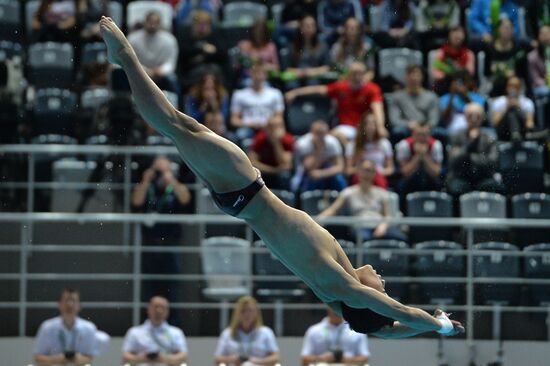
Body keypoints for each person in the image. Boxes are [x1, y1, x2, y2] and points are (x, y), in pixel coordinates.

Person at [98, 16, 464, 337]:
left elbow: (398, 313)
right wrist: (432, 327)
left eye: (381, 289)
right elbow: (387, 330)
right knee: (178, 130)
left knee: (179, 125)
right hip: (240, 200)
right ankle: (126, 63)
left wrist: (441, 325)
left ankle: (127, 59)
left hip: (248, 189)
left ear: (369, 299)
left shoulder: (342, 285)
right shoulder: (335, 294)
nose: (382, 281)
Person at [132, 157, 191, 304]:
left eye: (164, 170)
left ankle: (174, 323)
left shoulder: (174, 188)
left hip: (171, 245)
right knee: (149, 287)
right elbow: (136, 201)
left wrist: (171, 180)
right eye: (158, 171)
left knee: (173, 287)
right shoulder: (148, 188)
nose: (160, 175)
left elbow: (186, 199)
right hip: (150, 244)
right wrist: (145, 181)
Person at [285, 61, 386, 142]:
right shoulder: (341, 87)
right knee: (334, 135)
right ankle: (350, 157)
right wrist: (295, 92)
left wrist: (380, 126)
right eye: (354, 73)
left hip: (364, 128)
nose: (357, 76)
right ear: (349, 74)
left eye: (360, 73)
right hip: (345, 128)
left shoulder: (372, 89)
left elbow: (377, 108)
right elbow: (318, 90)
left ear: (364, 74)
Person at [320, 160, 407, 242]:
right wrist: (318, 220)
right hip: (360, 227)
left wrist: (383, 226)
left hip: (379, 226)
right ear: (358, 172)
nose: (366, 174)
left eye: (369, 171)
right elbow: (333, 210)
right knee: (365, 239)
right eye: (364, 170)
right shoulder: (348, 193)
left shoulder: (381, 193)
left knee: (402, 238)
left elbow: (387, 215)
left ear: (374, 174)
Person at [34, 288, 106, 366]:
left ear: (79, 306)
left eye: (73, 301)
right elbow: (38, 358)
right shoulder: (47, 327)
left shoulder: (89, 328)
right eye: (66, 300)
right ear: (59, 304)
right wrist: (57, 359)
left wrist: (78, 359)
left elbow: (89, 358)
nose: (70, 304)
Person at [446, 103, 504, 196]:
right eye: (470, 116)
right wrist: (470, 143)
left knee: (495, 187)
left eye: (477, 116)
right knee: (455, 188)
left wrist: (469, 156)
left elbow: (493, 163)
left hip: (484, 177)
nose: (474, 119)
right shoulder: (456, 136)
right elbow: (453, 161)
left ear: (482, 118)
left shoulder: (490, 137)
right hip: (461, 177)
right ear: (465, 117)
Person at [214, 296, 280, 366]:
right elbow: (217, 358)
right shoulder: (227, 333)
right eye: (243, 311)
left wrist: (256, 361)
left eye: (250, 311)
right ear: (237, 313)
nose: (247, 314)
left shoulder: (266, 332)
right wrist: (233, 359)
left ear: (256, 313)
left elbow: (276, 357)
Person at [122, 296, 188, 366]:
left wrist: (162, 358)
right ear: (148, 309)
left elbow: (183, 357)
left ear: (167, 311)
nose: (159, 311)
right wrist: (144, 358)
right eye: (155, 307)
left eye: (162, 307)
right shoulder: (134, 332)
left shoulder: (176, 333)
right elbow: (125, 357)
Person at [230, 61, 285, 141]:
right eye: (256, 72)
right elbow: (234, 120)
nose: (258, 75)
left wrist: (267, 124)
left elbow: (279, 118)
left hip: (268, 127)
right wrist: (251, 124)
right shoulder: (239, 94)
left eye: (261, 72)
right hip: (247, 128)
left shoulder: (275, 93)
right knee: (241, 135)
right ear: (250, 74)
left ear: (266, 75)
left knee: (278, 134)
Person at [128, 11, 179, 93]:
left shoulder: (170, 40)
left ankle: (175, 104)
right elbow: (131, 60)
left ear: (160, 24)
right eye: (150, 22)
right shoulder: (133, 39)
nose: (152, 25)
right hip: (138, 71)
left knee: (172, 79)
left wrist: (160, 71)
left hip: (160, 74)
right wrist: (145, 71)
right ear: (145, 22)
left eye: (155, 22)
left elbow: (170, 62)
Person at [292, 120, 347, 193]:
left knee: (339, 179)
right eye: (317, 133)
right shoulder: (303, 144)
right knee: (311, 179)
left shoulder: (333, 143)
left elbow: (340, 167)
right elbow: (309, 168)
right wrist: (318, 149)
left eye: (322, 134)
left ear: (327, 133)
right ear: (311, 132)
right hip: (306, 174)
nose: (320, 137)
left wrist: (322, 173)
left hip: (326, 171)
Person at [388, 64, 440, 142]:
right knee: (397, 131)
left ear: (422, 77)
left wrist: (426, 127)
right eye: (410, 75)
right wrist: (408, 124)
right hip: (407, 129)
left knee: (440, 133)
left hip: (427, 129)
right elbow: (394, 119)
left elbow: (434, 119)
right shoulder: (397, 97)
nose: (413, 78)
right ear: (405, 77)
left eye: (417, 75)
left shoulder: (432, 97)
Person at [301, 307, 370, 366]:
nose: (335, 311)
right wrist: (322, 359)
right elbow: (305, 359)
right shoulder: (314, 330)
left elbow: (365, 358)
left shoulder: (356, 330)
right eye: (333, 307)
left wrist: (347, 359)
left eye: (338, 307)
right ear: (328, 307)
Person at [176, 11, 227, 87]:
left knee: (214, 72)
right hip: (191, 71)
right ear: (193, 25)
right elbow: (182, 54)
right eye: (199, 24)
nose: (202, 27)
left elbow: (223, 54)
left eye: (205, 24)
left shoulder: (215, 37)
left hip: (212, 70)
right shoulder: (186, 37)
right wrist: (202, 49)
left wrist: (203, 57)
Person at [395, 122, 444, 199]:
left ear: (429, 135)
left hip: (430, 177)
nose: (421, 138)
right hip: (410, 178)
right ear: (413, 134)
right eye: (418, 134)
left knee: (439, 184)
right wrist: (417, 156)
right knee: (401, 185)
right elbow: (405, 173)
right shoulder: (404, 145)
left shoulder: (436, 145)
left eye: (424, 135)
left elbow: (436, 173)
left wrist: (425, 156)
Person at [347, 112, 394, 189]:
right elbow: (349, 170)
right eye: (367, 124)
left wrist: (374, 172)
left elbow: (390, 169)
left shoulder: (384, 143)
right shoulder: (353, 145)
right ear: (362, 126)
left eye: (373, 123)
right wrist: (364, 171)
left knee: (379, 180)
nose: (370, 126)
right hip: (359, 176)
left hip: (378, 175)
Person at [248, 115, 294, 190]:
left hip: (280, 174)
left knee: (285, 175)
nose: (276, 130)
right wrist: (273, 170)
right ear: (267, 128)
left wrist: (276, 143)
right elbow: (252, 162)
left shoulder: (288, 140)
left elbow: (286, 165)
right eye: (273, 127)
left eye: (279, 126)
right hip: (265, 171)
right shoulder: (260, 139)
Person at [484, 18, 528, 97]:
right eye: (504, 27)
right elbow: (486, 72)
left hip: (514, 85)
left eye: (509, 28)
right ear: (497, 30)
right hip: (495, 85)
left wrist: (513, 73)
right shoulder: (489, 48)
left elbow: (523, 72)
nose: (507, 30)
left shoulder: (518, 48)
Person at [430, 26, 476, 94]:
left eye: (459, 35)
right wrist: (449, 75)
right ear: (449, 36)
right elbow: (435, 73)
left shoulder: (469, 54)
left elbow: (470, 72)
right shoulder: (441, 52)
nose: (457, 36)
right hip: (445, 84)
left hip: (463, 84)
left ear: (464, 37)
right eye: (454, 34)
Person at [490, 75, 535, 141]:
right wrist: (507, 107)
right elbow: (494, 123)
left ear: (520, 88)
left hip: (522, 130)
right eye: (510, 85)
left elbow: (529, 124)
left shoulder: (527, 102)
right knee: (511, 112)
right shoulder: (499, 102)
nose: (513, 88)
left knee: (514, 110)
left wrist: (518, 108)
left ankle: (515, 134)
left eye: (516, 86)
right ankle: (515, 134)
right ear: (507, 87)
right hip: (504, 132)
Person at [527, 25, 550, 99]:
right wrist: (546, 81)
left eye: (547, 33)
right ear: (538, 37)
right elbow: (535, 79)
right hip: (541, 87)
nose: (545, 36)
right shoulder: (532, 57)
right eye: (542, 34)